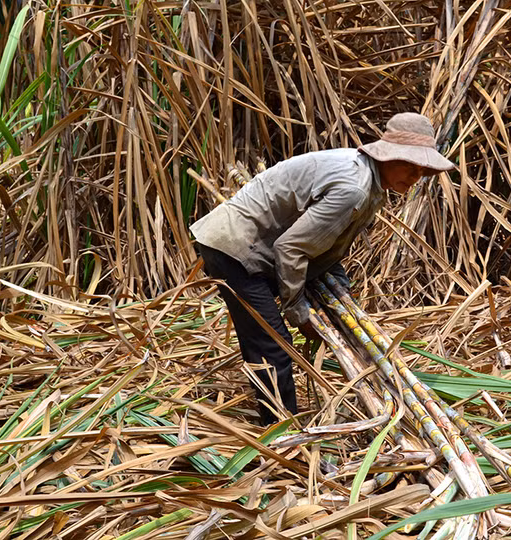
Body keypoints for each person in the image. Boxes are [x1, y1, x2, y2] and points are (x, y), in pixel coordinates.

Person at [190, 112, 454, 425]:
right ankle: (281, 433)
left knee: (267, 338)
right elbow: (291, 248)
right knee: (272, 345)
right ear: (387, 156)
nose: (415, 176)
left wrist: (338, 282)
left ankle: (279, 422)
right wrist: (298, 311)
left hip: (254, 242)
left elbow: (325, 240)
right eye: (409, 165)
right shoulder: (354, 187)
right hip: (233, 247)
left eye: (423, 170)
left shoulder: (371, 182)